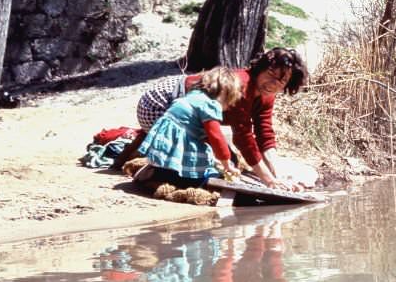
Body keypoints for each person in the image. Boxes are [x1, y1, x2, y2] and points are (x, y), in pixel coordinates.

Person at [134, 47, 316, 190]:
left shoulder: (267, 94)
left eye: (281, 81)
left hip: (183, 114)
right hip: (159, 105)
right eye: (271, 75)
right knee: (210, 160)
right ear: (259, 69)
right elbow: (244, 137)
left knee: (227, 158)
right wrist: (268, 180)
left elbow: (264, 132)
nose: (273, 84)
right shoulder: (242, 86)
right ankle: (157, 170)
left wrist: (277, 175)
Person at [137, 66, 244, 186]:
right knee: (192, 176)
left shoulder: (194, 94)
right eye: (229, 103)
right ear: (225, 94)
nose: (228, 107)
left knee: (170, 161)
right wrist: (227, 164)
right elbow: (216, 137)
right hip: (181, 135)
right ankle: (162, 178)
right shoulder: (210, 105)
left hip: (166, 130)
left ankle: (156, 172)